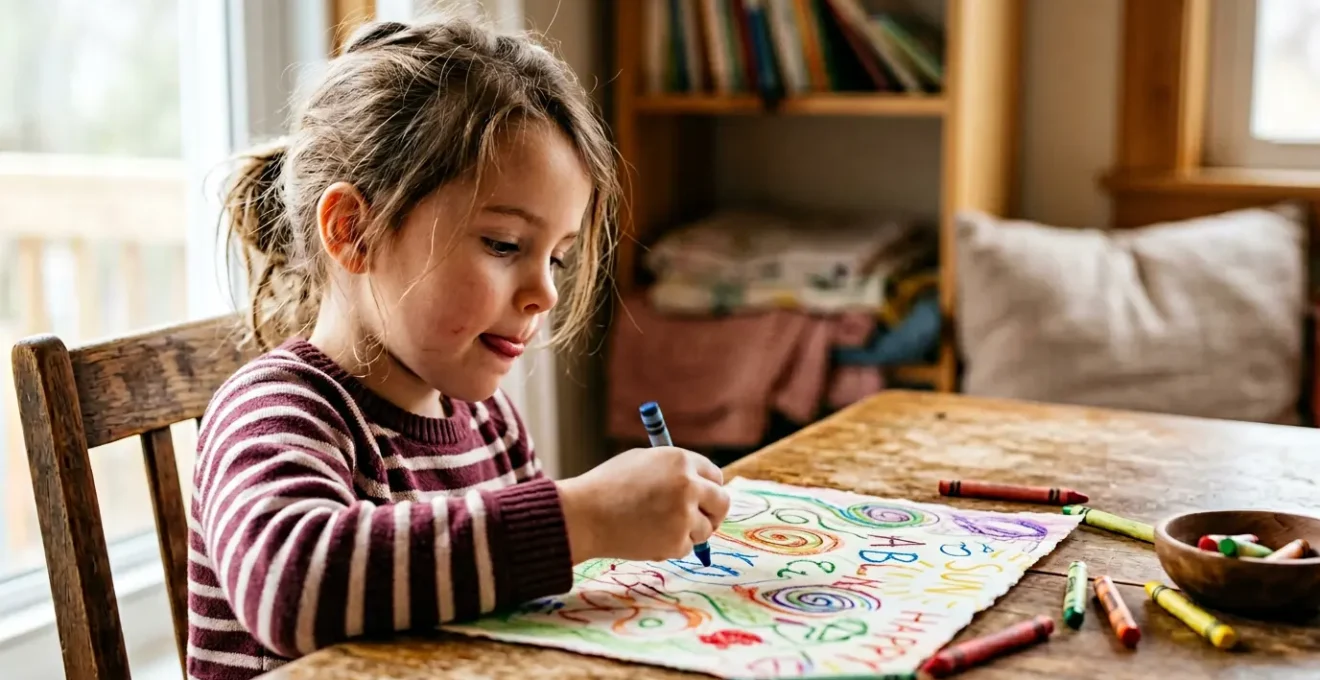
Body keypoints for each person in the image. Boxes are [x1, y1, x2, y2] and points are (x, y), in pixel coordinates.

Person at [188, 14, 731, 679]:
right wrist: (583, 517)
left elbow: (524, 608)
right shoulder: (279, 410)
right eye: (505, 245)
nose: (545, 293)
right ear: (353, 231)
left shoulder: (488, 424)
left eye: (557, 259)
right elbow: (293, 584)